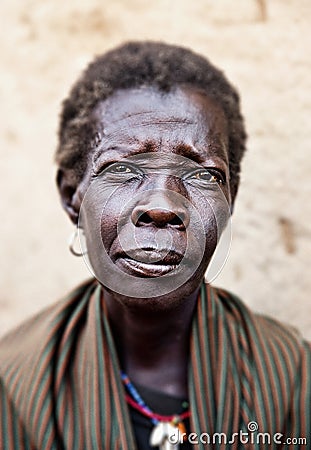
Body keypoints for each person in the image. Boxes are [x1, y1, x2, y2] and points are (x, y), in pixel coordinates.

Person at [0, 41, 310, 450]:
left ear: (229, 200)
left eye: (202, 175)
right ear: (72, 196)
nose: (163, 206)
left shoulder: (292, 377)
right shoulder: (14, 385)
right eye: (123, 169)